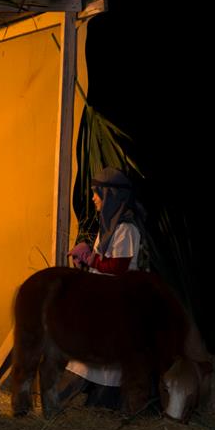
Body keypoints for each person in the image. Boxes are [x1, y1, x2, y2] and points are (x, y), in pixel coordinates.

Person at [62, 167, 144, 409]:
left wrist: (91, 259)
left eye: (96, 193)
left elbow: (117, 267)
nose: (93, 198)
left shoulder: (127, 230)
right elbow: (101, 260)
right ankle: (81, 403)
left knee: (103, 362)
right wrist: (86, 259)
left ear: (110, 196)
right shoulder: (108, 228)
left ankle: (98, 406)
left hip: (117, 305)